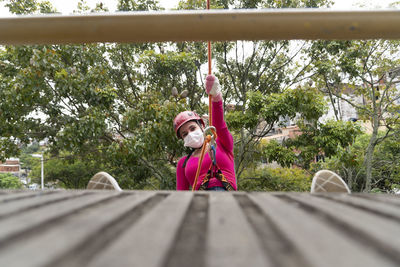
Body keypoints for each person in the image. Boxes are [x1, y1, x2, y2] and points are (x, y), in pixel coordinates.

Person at [173, 75, 237, 191]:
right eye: (185, 134)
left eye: (192, 128)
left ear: (202, 126)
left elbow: (219, 125)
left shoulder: (221, 143)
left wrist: (216, 97)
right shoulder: (183, 163)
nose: (190, 134)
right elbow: (181, 193)